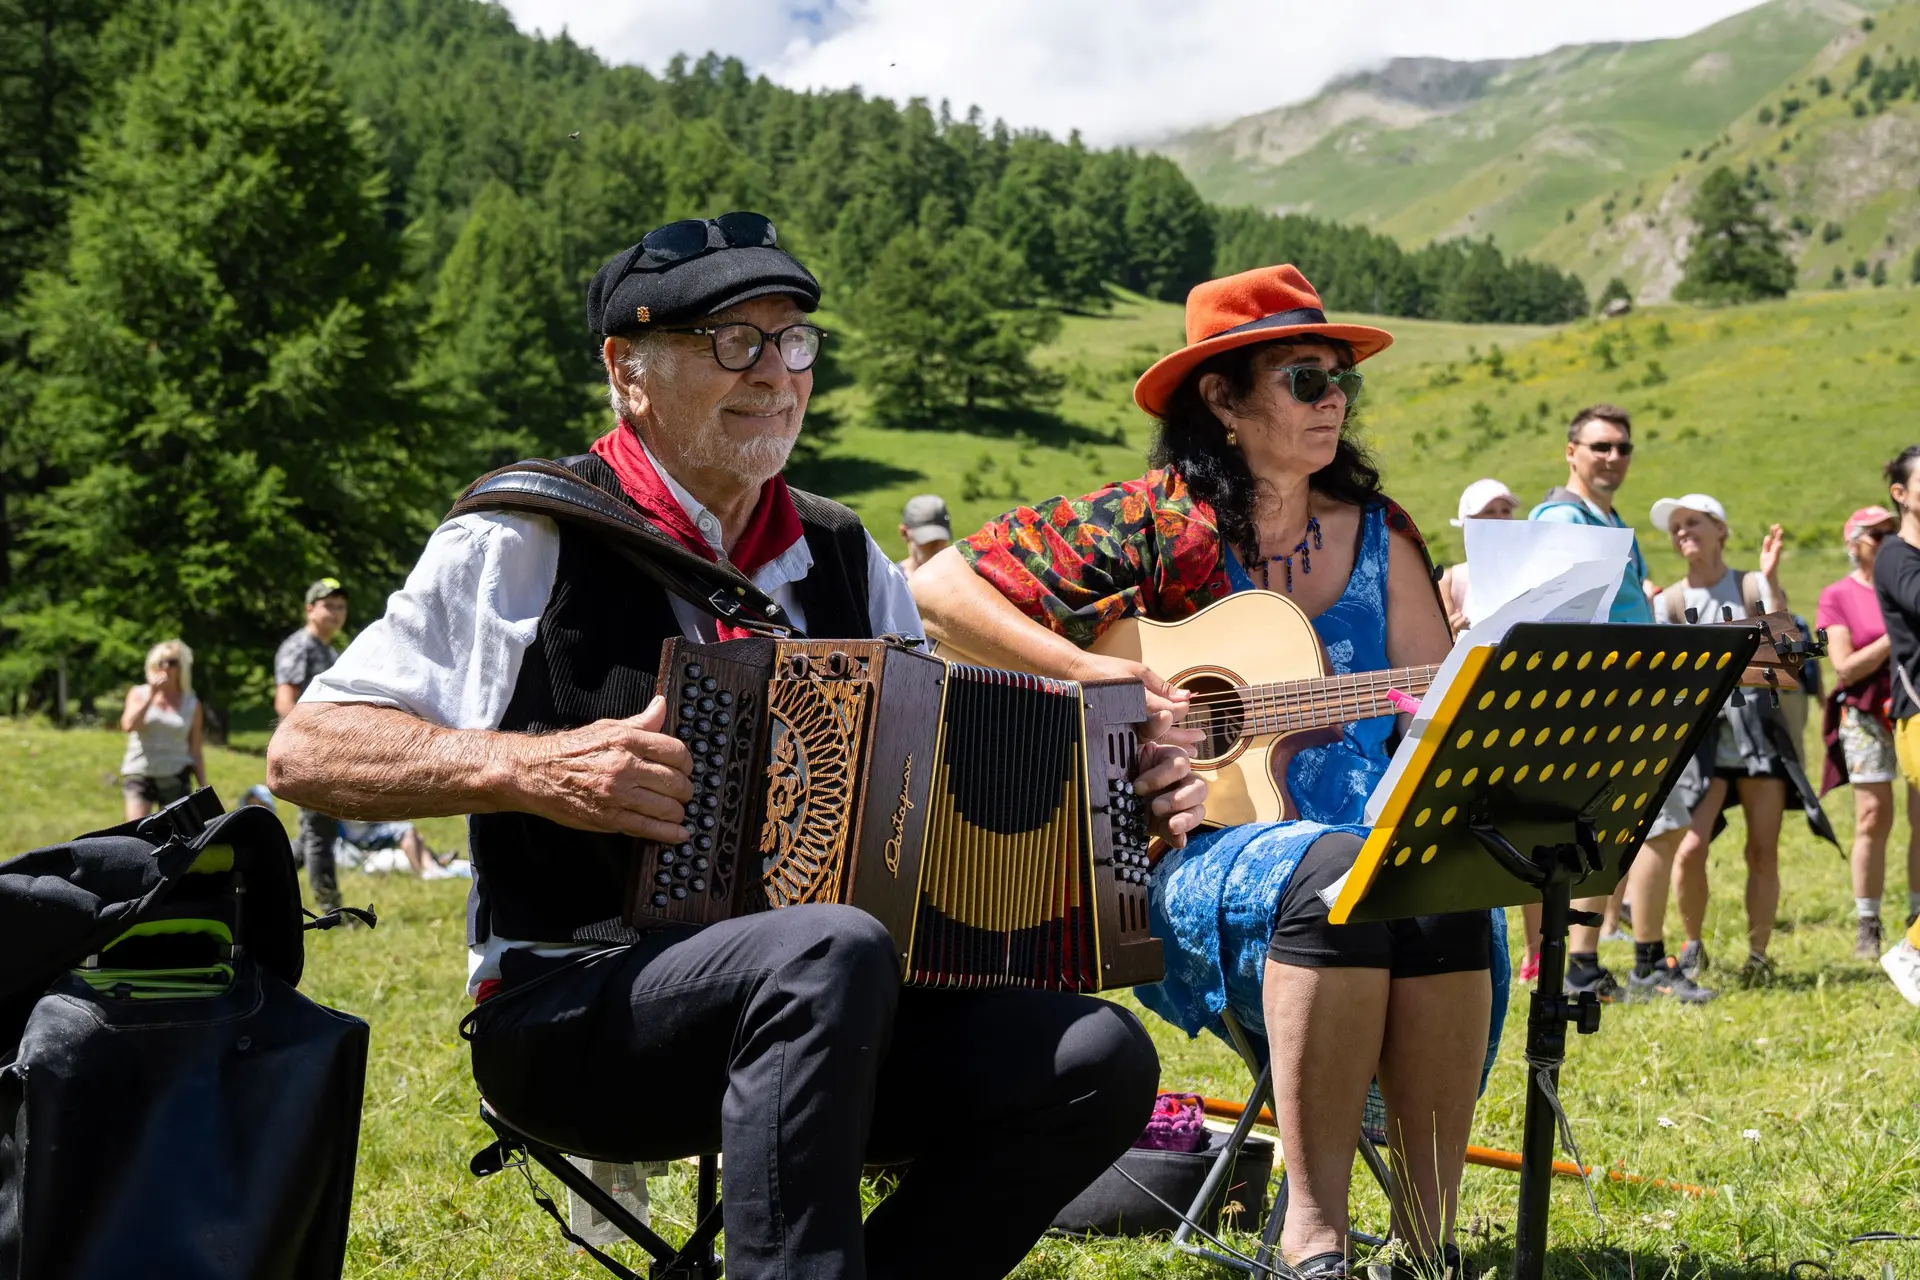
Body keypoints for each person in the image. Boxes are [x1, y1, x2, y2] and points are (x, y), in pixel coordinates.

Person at [267, 212, 1205, 1280]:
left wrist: (1116, 808)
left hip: (842, 1008)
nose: (774, 374)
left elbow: (949, 785)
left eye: (792, 340)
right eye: (733, 341)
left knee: (1095, 1056)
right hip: (575, 1008)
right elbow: (308, 750)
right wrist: (534, 769)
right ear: (628, 368)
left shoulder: (847, 555)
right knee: (826, 946)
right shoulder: (526, 536)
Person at [911, 264, 1503, 1279]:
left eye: (1338, 380)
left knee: (1437, 884)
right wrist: (1101, 672)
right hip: (1197, 844)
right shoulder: (1143, 522)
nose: (1335, 399)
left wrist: (1481, 656)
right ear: (1222, 399)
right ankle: (1311, 1228)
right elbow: (934, 588)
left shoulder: (1384, 533)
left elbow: (1425, 715)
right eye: (1305, 379)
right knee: (1328, 882)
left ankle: (1424, 1243)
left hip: (1371, 829)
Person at [1528, 405, 1689, 1002]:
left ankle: (1583, 963)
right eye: (1600, 446)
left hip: (1624, 694)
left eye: (1623, 447)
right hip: (1591, 699)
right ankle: (1576, 965)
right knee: (1593, 830)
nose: (1614, 457)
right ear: (1571, 451)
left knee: (1606, 831)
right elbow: (1559, 611)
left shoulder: (1605, 516)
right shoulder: (1560, 518)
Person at [1653, 493, 1830, 986]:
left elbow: (1786, 650)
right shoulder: (1666, 601)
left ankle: (1758, 955)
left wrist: (1771, 581)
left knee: (1761, 850)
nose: (1683, 532)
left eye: (1693, 523)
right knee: (1690, 848)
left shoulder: (1750, 585)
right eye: (1676, 527)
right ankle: (1693, 947)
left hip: (1758, 740)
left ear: (1721, 530)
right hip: (1701, 747)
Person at [1816, 505, 1920, 958]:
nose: (1885, 540)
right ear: (1852, 543)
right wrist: (1894, 636)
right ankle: (1867, 920)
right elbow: (1844, 667)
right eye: (1874, 535)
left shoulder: (1909, 576)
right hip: (1864, 711)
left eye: (1889, 532)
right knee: (1873, 818)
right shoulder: (1838, 594)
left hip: (1911, 703)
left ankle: (1917, 914)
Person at [276, 578, 348, 912]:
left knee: (314, 834)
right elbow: (285, 700)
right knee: (320, 833)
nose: (335, 613)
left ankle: (257, 887)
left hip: (327, 753)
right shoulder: (299, 647)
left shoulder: (329, 651)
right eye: (328, 605)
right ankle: (331, 909)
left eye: (340, 606)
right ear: (309, 609)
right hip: (309, 752)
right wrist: (311, 747)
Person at [118, 639, 207, 820]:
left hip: (175, 775)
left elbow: (195, 748)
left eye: (172, 662)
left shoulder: (191, 704)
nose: (166, 667)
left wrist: (203, 785)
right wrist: (152, 694)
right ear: (152, 666)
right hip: (140, 773)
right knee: (134, 834)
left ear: (180, 667)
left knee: (176, 838)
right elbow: (128, 725)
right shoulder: (139, 694)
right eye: (161, 662)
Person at [1437, 478, 1517, 636]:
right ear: (1467, 523)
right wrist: (1454, 633)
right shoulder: (1452, 582)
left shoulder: (1528, 571)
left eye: (1506, 511)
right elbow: (1440, 644)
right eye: (1489, 511)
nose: (1500, 518)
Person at [896, 493, 951, 578]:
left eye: (941, 539)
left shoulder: (957, 578)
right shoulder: (893, 582)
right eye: (928, 540)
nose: (937, 548)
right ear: (904, 533)